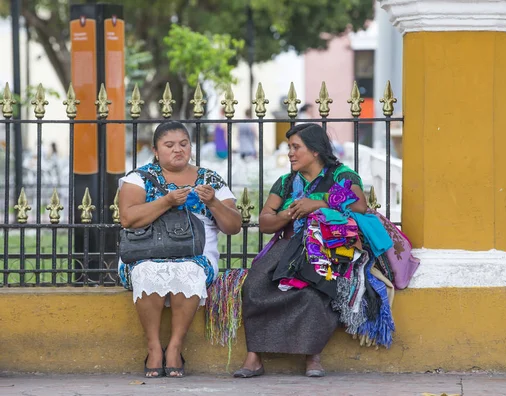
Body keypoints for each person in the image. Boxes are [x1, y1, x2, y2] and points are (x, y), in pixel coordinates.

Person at [234, 123, 415, 378]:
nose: (290, 153)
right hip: (288, 246)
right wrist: (291, 211)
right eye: (290, 148)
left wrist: (316, 203)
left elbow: (360, 205)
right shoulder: (286, 182)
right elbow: (265, 222)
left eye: (296, 147)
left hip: (328, 247)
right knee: (255, 287)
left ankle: (313, 356)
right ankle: (254, 356)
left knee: (317, 288)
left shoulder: (341, 176)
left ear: (316, 150)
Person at [118, 121, 242, 378]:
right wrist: (166, 201)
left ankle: (174, 347)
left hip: (197, 255)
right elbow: (128, 219)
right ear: (155, 150)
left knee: (189, 271)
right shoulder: (139, 178)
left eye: (184, 144)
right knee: (146, 271)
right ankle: (154, 347)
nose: (178, 150)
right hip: (145, 253)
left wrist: (214, 202)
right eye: (169, 145)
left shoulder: (210, 180)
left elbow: (233, 226)